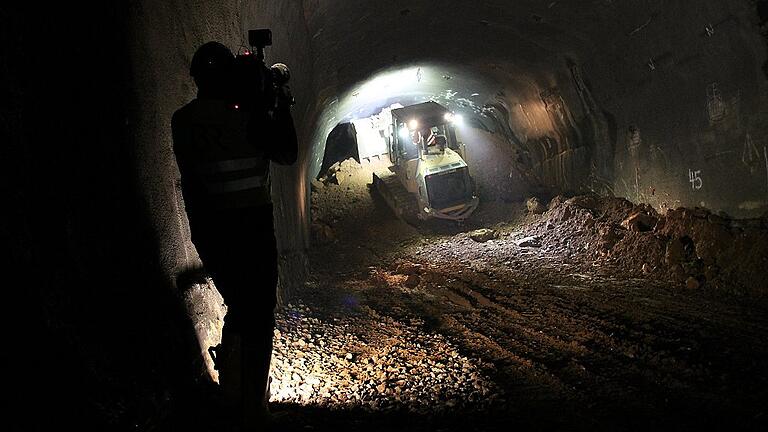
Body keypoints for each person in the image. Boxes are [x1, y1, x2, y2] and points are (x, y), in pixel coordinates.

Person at [171, 41, 298, 429]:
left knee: (242, 307)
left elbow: (191, 180)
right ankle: (251, 408)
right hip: (252, 225)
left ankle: (234, 394)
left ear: (196, 78)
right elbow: (287, 153)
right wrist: (277, 101)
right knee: (257, 314)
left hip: (211, 229)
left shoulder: (184, 120)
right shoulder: (248, 114)